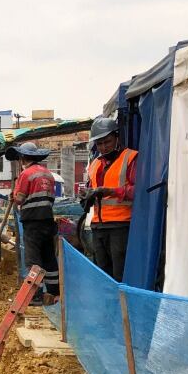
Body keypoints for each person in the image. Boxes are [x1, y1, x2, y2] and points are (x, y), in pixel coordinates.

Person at [83, 116, 137, 280]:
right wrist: (86, 196)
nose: (104, 147)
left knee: (119, 273)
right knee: (103, 274)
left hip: (120, 226)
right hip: (98, 226)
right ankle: (107, 304)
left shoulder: (130, 158)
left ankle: (121, 305)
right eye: (99, 144)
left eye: (107, 142)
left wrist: (110, 191)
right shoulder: (95, 164)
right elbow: (90, 189)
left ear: (116, 137)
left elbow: (138, 191)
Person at [10, 141, 59, 303]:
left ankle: (36, 295)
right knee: (49, 258)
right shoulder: (48, 174)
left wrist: (14, 195)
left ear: (23, 158)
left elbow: (19, 199)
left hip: (33, 222)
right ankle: (54, 293)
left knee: (33, 260)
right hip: (48, 221)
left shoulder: (26, 174)